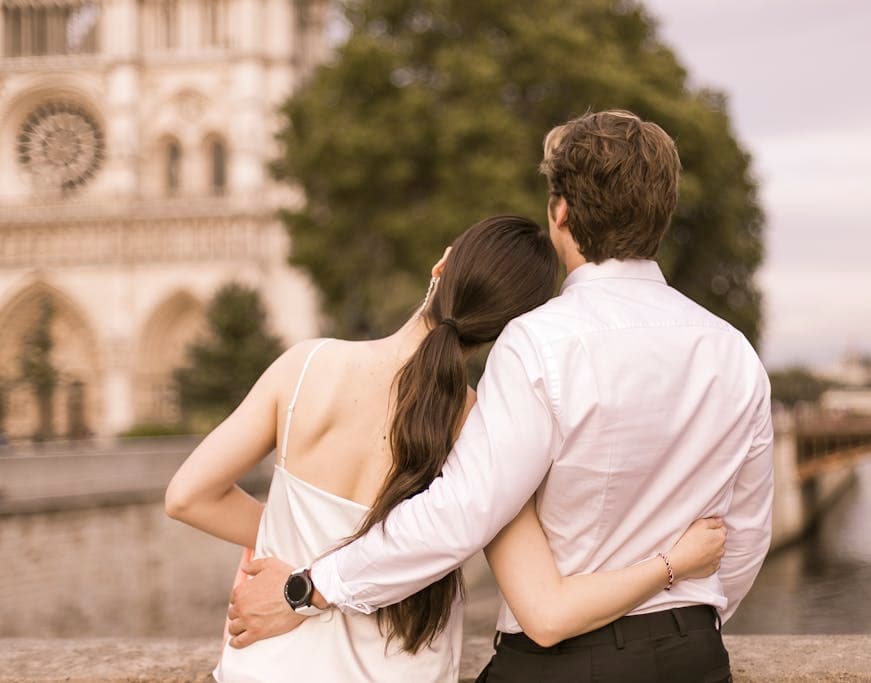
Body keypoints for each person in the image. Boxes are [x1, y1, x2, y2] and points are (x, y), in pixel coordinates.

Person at [230, 110, 774, 683]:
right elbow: (744, 541)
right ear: (662, 216)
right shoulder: (732, 350)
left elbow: (458, 516)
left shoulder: (538, 343)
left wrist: (308, 587)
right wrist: (682, 619)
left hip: (567, 664)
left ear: (560, 212)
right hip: (696, 658)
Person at [165, 214, 729, 682]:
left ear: (441, 267)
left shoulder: (307, 366)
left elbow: (188, 496)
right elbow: (547, 610)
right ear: (512, 329)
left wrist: (294, 549)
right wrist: (675, 563)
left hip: (265, 666)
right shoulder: (482, 426)